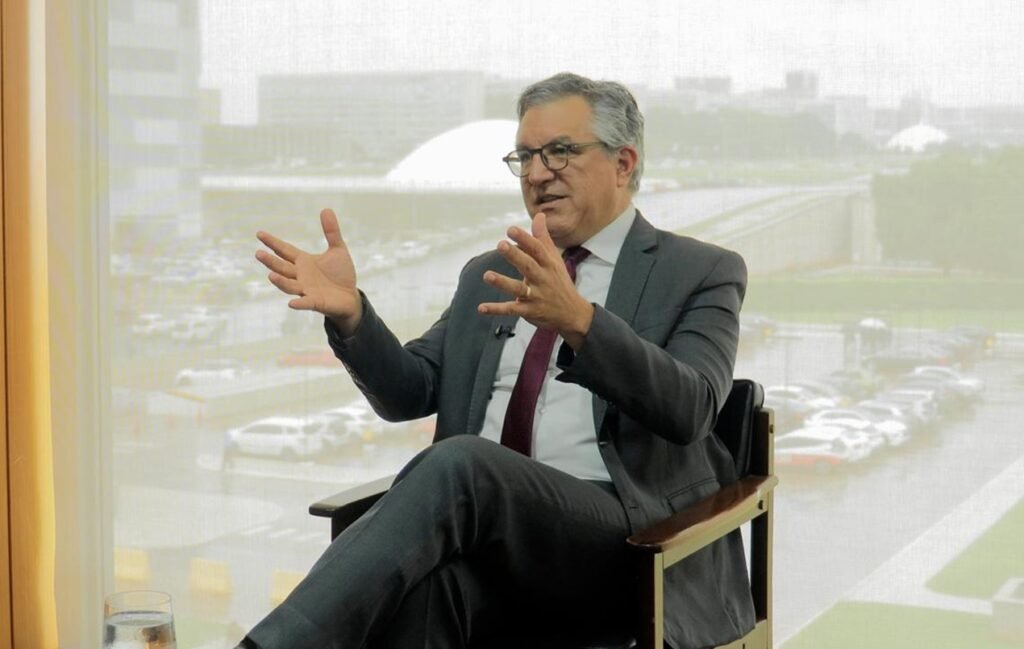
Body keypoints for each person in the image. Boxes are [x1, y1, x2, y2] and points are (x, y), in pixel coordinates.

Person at [239, 72, 754, 649]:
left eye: (560, 152)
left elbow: (693, 409)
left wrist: (580, 322)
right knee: (425, 594)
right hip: (489, 543)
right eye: (526, 157)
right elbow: (409, 391)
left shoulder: (701, 271)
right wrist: (352, 315)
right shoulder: (492, 272)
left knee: (462, 464)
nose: (537, 174)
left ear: (623, 162)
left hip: (629, 548)